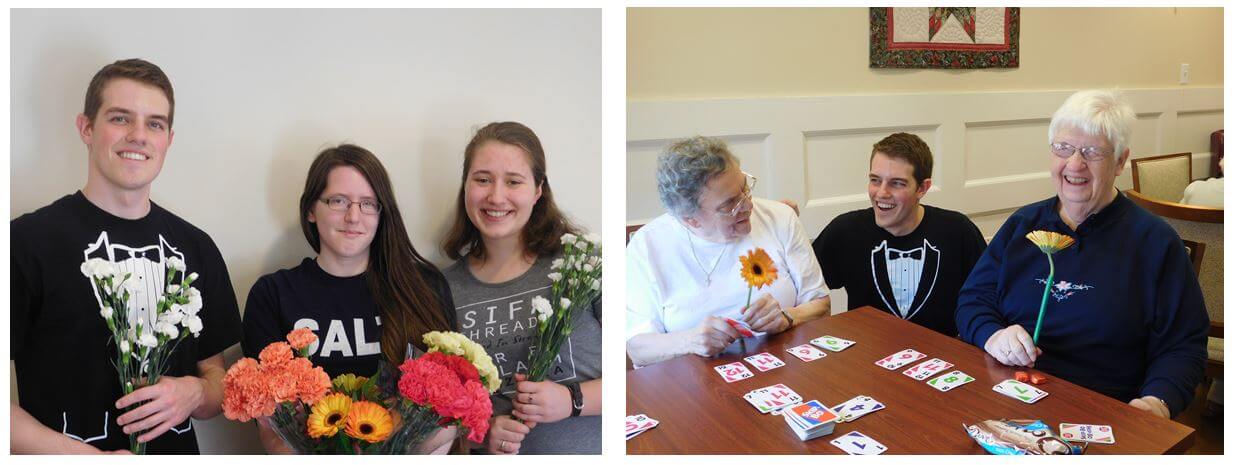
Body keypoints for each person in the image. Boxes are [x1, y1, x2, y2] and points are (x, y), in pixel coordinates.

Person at [10, 58, 242, 453]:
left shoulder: (196, 247)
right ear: (86, 128)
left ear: (169, 138)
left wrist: (195, 392)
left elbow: (219, 380)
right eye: (120, 118)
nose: (139, 135)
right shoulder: (26, 241)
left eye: (154, 123)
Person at [955, 90, 1209, 419]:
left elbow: (1183, 344)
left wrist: (1157, 401)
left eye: (1092, 152)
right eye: (1063, 148)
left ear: (1120, 161)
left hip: (1100, 409)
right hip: (1005, 394)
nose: (1075, 164)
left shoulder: (1155, 242)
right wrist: (992, 334)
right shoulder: (1022, 226)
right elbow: (973, 299)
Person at [241, 144, 458, 454]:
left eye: (368, 203)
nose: (354, 216)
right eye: (338, 201)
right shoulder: (272, 294)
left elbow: (445, 409)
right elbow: (272, 429)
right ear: (311, 210)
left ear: (382, 214)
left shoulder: (423, 287)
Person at [440, 122, 601, 455]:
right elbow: (435, 411)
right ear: (466, 186)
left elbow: (640, 376)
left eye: (513, 181)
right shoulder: (441, 288)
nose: (496, 196)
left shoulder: (584, 266)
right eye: (482, 179)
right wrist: (480, 434)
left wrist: (571, 400)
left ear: (538, 190)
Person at [626, 136, 831, 366]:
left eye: (745, 188)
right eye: (730, 205)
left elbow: (821, 304)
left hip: (785, 366)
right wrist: (690, 341)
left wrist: (787, 317)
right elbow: (638, 349)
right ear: (691, 220)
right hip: (694, 383)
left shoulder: (780, 217)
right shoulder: (647, 246)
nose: (748, 206)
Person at [812, 133, 986, 336]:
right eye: (875, 180)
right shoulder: (845, 231)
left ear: (922, 188)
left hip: (943, 358)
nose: (881, 193)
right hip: (865, 357)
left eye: (897, 183)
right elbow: (799, 289)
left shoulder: (958, 231)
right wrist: (779, 229)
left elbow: (988, 296)